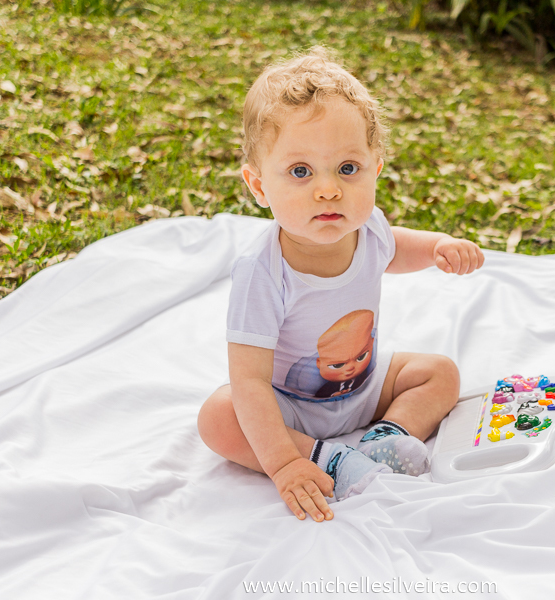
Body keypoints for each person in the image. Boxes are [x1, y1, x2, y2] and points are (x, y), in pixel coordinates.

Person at [197, 47, 484, 523]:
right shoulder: (263, 271)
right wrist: (284, 463)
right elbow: (249, 380)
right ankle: (322, 456)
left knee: (440, 373)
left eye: (347, 169)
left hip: (366, 386)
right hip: (292, 408)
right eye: (300, 172)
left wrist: (439, 247)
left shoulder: (368, 228)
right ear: (259, 186)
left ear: (376, 166)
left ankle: (386, 436)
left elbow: (396, 247)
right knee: (220, 417)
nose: (328, 189)